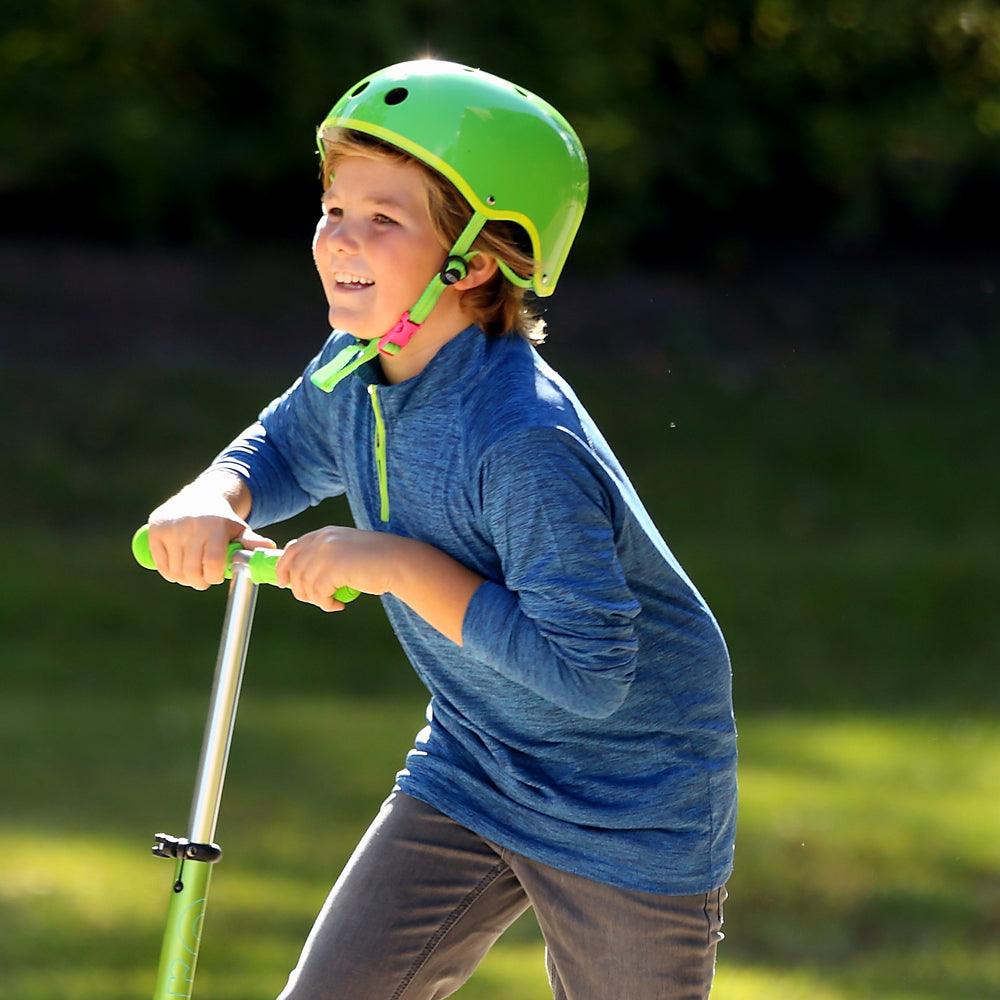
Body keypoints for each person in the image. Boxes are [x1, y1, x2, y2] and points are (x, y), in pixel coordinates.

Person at [146, 59, 737, 1000]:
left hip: (629, 802)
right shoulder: (359, 366)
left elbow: (589, 672)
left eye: (384, 219)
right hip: (474, 762)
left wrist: (399, 564)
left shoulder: (522, 442)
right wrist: (217, 491)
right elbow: (287, 444)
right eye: (335, 207)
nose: (342, 237)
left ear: (479, 260)